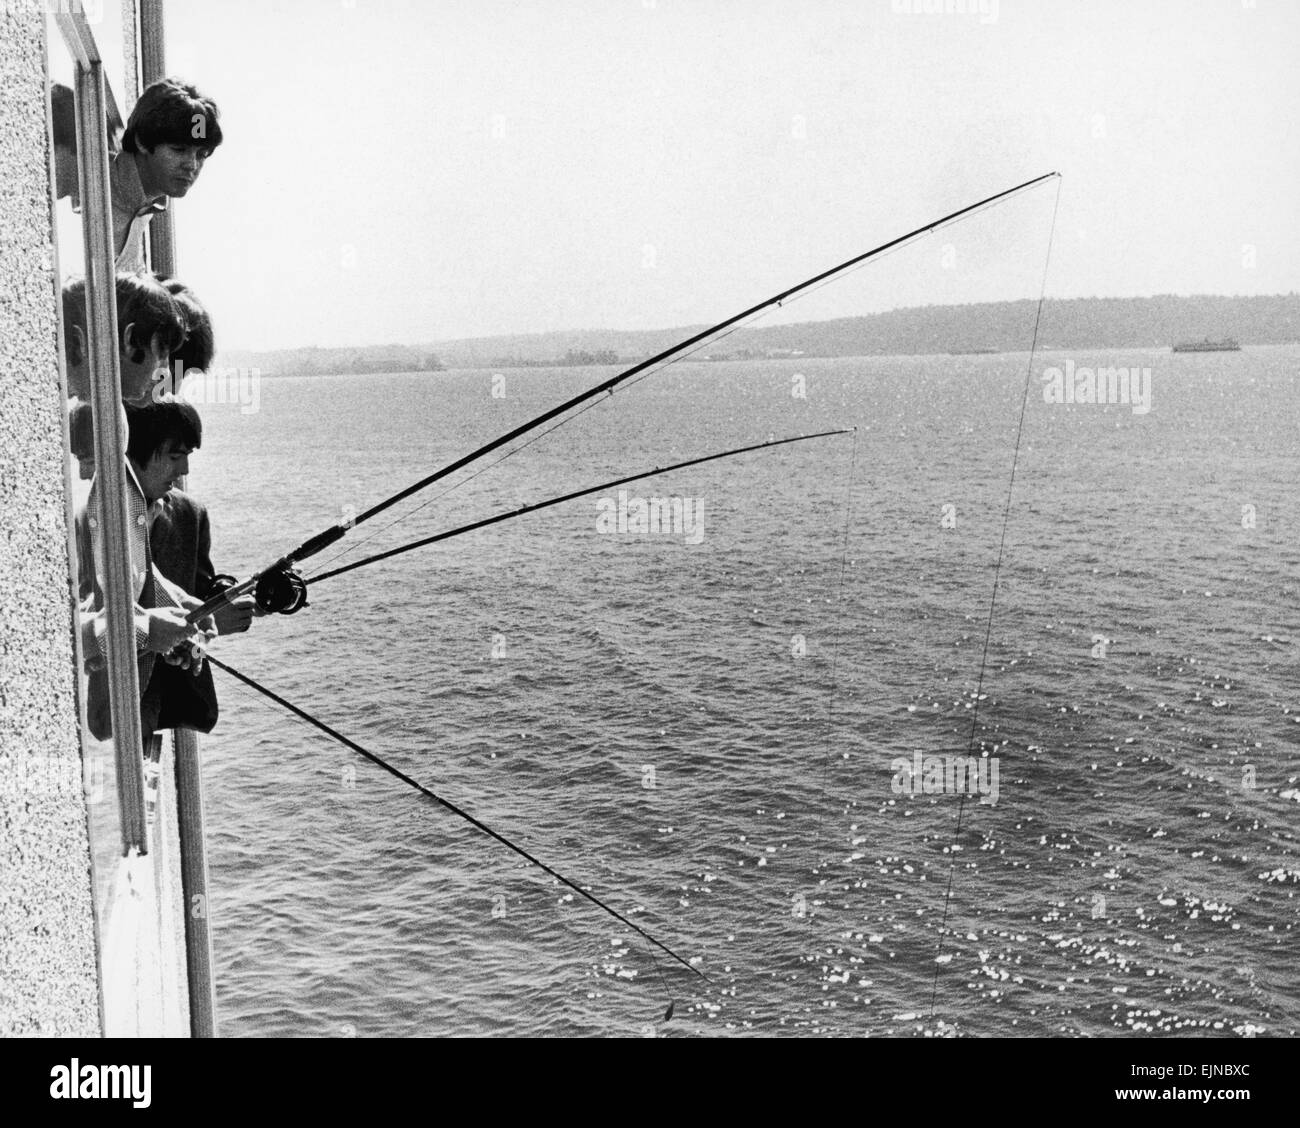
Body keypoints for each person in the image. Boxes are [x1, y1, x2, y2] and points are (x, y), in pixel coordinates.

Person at [64, 274, 215, 746]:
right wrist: (147, 629)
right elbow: (53, 633)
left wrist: (174, 608)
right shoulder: (73, 432)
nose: (163, 379)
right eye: (162, 359)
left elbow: (123, 561)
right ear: (129, 342)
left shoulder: (110, 425)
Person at [124, 398, 253, 739]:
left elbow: (192, 630)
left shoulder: (190, 516)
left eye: (188, 457)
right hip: (115, 704)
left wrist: (214, 624)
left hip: (154, 706)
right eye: (175, 456)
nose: (184, 472)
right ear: (136, 450)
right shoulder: (101, 512)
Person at [112, 78, 223, 271]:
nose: (192, 165)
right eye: (179, 149)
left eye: (201, 154)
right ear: (142, 142)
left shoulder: (146, 206)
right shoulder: (95, 184)